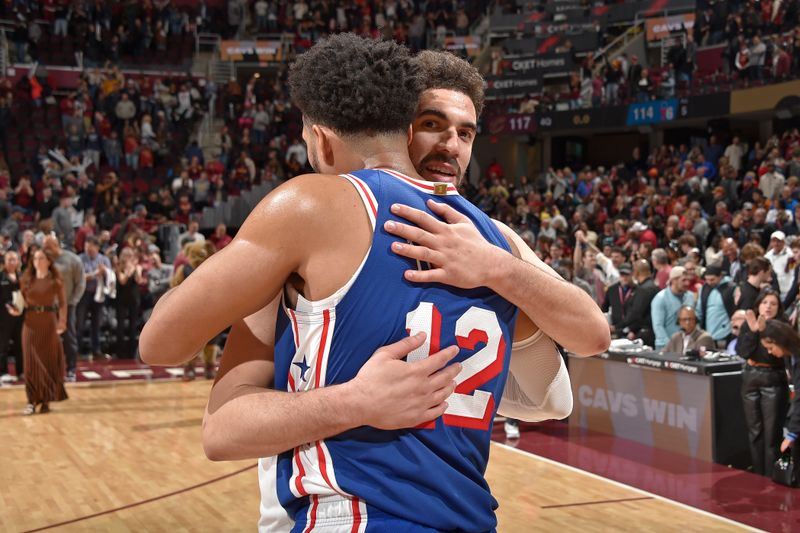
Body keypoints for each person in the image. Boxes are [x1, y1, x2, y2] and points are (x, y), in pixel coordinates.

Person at [141, 35, 607, 532]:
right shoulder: (493, 238)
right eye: (434, 125)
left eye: (465, 133)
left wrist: (356, 401)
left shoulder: (313, 207)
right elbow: (566, 377)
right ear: (404, 126)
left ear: (320, 138)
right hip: (470, 515)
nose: (449, 145)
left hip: (350, 516)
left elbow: (164, 349)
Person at [6, 249, 68, 415]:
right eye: (35, 258)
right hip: (30, 324)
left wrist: (62, 322)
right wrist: (15, 310)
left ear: (48, 261)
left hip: (49, 322)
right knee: (30, 364)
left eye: (41, 258)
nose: (37, 261)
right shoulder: (26, 280)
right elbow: (20, 303)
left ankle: (46, 400)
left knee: (47, 362)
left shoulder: (55, 281)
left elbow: (62, 304)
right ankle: (31, 401)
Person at [737, 288, 789, 476]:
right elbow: (743, 352)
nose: (768, 307)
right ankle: (758, 475)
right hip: (750, 377)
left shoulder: (782, 325)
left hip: (773, 379)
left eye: (773, 303)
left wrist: (763, 332)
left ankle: (772, 476)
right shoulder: (749, 324)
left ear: (778, 308)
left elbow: (778, 357)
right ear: (758, 305)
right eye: (764, 302)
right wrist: (753, 332)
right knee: (755, 432)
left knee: (771, 435)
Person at [43, 235, 85, 381]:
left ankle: (71, 370)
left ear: (55, 245)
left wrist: (73, 302)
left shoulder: (73, 259)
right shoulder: (45, 260)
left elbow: (80, 283)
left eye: (48, 246)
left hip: (67, 306)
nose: (45, 249)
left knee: (69, 338)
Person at [759, 320, 800, 471]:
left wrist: (792, 434)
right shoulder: (789, 357)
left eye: (770, 347)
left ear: (780, 341)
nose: (770, 352)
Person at [77, 236, 113, 360]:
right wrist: (94, 275)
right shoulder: (80, 259)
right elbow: (79, 277)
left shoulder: (104, 260)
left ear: (97, 247)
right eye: (86, 247)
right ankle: (77, 351)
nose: (88, 250)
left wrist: (105, 272)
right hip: (84, 294)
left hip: (99, 294)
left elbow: (111, 277)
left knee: (96, 324)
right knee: (79, 324)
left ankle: (96, 351)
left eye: (91, 248)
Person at [615, 259, 659, 347]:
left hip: (645, 334)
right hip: (650, 331)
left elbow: (636, 313)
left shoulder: (644, 289)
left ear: (636, 272)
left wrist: (617, 326)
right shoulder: (654, 286)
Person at [651, 266, 696, 350]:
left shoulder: (690, 296)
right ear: (673, 280)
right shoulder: (660, 299)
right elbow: (658, 326)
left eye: (688, 280)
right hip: (665, 346)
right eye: (683, 280)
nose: (687, 283)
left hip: (687, 345)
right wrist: (671, 346)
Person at [696, 265, 735, 348]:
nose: (709, 282)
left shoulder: (731, 288)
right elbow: (699, 310)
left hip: (725, 333)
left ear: (720, 276)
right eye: (707, 280)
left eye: (712, 279)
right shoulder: (704, 289)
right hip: (707, 333)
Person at [0, 250, 23, 382]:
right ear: (4, 261)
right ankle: (2, 372)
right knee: (2, 346)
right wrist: (7, 306)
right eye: (9, 259)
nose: (12, 262)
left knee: (20, 345)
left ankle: (21, 371)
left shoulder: (22, 276)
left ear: (18, 261)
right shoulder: (1, 277)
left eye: (14, 259)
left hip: (20, 317)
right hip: (4, 318)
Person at [604, 263, 636, 336]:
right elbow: (604, 309)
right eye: (622, 275)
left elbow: (639, 314)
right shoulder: (612, 290)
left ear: (632, 274)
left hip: (632, 330)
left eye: (627, 275)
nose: (624, 278)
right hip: (615, 329)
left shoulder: (637, 290)